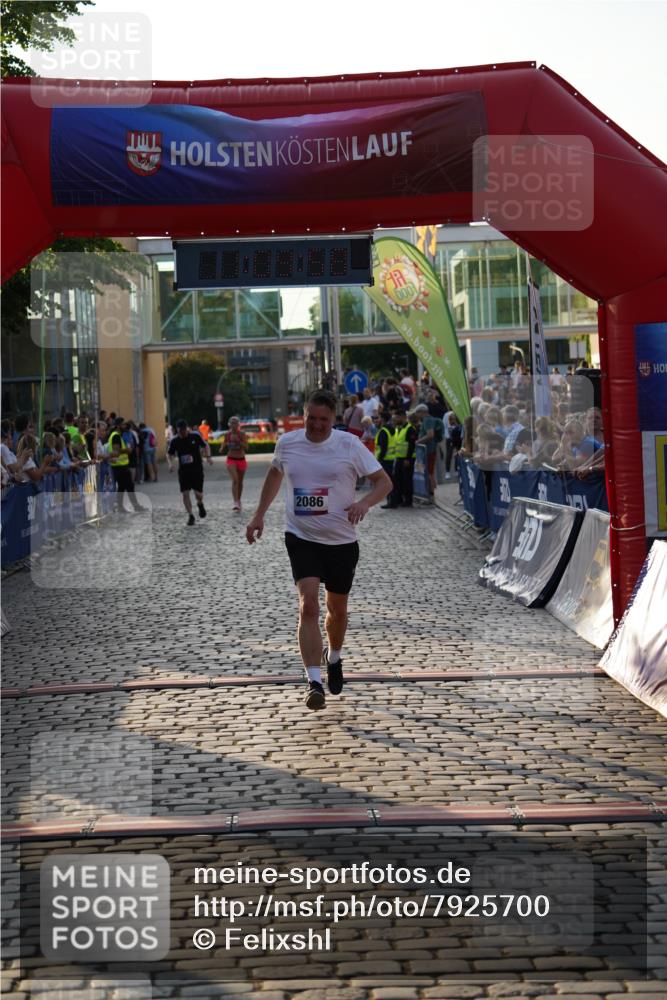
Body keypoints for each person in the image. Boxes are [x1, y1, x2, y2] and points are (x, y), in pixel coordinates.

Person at [245, 389, 392, 711]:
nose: (316, 425)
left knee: (336, 611)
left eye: (323, 420)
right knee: (308, 606)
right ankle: (314, 681)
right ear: (305, 414)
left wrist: (364, 504)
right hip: (301, 537)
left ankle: (334, 656)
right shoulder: (288, 443)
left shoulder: (349, 445)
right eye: (311, 418)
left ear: (333, 420)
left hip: (341, 541)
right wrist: (258, 515)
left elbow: (384, 482)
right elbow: (274, 473)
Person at [167, 418, 213, 524]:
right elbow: (169, 454)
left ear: (186, 429)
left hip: (196, 469)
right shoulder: (175, 440)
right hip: (184, 471)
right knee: (185, 493)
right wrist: (170, 464)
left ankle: (200, 504)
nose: (181, 433)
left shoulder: (195, 436)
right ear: (177, 430)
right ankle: (190, 515)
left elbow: (205, 445)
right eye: (179, 431)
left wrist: (208, 457)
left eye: (183, 431)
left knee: (198, 494)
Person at [107, 418, 147, 513]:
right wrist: (127, 450)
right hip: (119, 466)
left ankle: (121, 507)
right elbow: (116, 450)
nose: (125, 426)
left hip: (121, 465)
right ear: (118, 425)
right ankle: (135, 506)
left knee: (123, 487)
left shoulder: (117, 435)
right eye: (123, 424)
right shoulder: (116, 436)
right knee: (129, 486)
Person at [221, 415, 249, 511]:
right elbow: (223, 445)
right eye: (232, 423)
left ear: (238, 424)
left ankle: (238, 500)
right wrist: (223, 447)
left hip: (241, 459)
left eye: (235, 423)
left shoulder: (242, 434)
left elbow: (246, 447)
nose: (233, 425)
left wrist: (239, 442)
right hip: (231, 459)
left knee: (240, 482)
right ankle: (235, 502)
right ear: (229, 424)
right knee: (235, 480)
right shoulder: (227, 435)